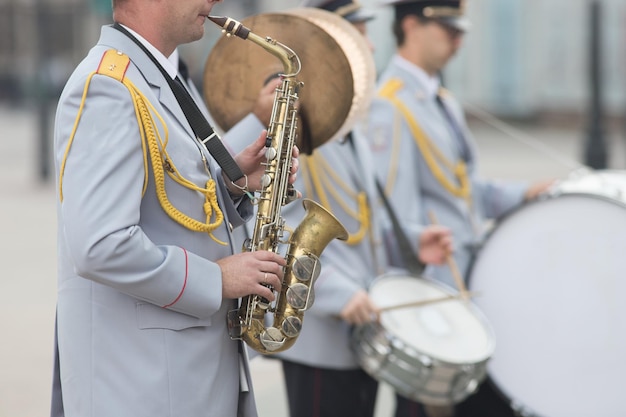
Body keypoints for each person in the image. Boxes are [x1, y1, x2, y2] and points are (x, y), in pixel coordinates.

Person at [50, 0, 301, 416]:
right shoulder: (107, 85)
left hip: (178, 377)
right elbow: (99, 245)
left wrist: (232, 182)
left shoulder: (157, 78)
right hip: (144, 386)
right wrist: (216, 278)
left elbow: (167, 202)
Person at [227, 1, 453, 416]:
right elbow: (279, 223)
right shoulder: (294, 123)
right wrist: (339, 292)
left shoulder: (346, 124)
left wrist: (411, 238)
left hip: (359, 326)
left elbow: (362, 215)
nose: (368, 44)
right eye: (357, 34)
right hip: (318, 332)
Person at [366, 1, 554, 416]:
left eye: (461, 29)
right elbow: (395, 221)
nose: (458, 39)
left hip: (467, 288)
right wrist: (417, 320)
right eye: (447, 28)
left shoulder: (442, 99)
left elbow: (466, 193)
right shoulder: (390, 105)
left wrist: (527, 193)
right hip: (434, 298)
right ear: (411, 26)